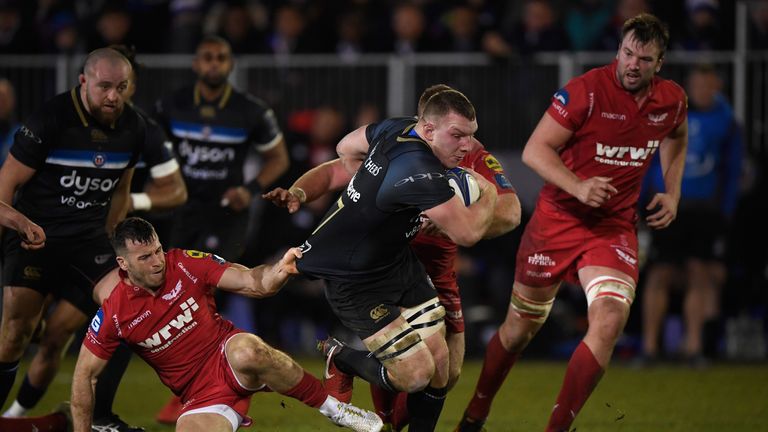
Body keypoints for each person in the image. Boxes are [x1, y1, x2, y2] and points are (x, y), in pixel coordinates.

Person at [456, 13, 688, 431]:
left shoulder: (671, 100)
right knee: (517, 332)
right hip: (557, 222)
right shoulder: (586, 92)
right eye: (628, 53)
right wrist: (579, 186)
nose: (633, 64)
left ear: (660, 63)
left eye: (644, 58)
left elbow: (677, 134)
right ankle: (476, 413)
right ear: (618, 50)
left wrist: (672, 190)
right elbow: (535, 150)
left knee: (610, 319)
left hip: (612, 229)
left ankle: (558, 427)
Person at [264, 89, 499, 432]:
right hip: (354, 280)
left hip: (395, 263)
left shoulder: (397, 128)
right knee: (417, 375)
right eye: (458, 136)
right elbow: (468, 234)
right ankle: (341, 358)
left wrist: (372, 189)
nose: (468, 146)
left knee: (441, 368)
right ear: (429, 131)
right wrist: (488, 191)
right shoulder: (418, 170)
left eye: (471, 135)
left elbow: (344, 148)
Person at [1, 44, 188, 427]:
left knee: (126, 308)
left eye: (121, 87)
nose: (112, 96)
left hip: (88, 241)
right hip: (36, 236)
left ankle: (100, 417)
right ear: (83, 81)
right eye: (104, 87)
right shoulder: (50, 119)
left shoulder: (135, 128)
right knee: (16, 332)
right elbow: (5, 186)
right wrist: (21, 226)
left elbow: (121, 189)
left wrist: (113, 239)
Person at [71, 217, 383, 432]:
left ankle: (336, 410)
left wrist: (279, 271)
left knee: (249, 351)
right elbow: (85, 376)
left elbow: (251, 281)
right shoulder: (114, 313)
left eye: (157, 251)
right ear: (123, 264)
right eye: (144, 258)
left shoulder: (185, 263)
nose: (156, 262)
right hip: (198, 394)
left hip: (227, 353)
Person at [361, 84, 522, 431]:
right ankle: (385, 420)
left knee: (447, 374)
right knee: (412, 361)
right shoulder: (397, 148)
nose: (462, 141)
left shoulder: (472, 155)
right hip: (394, 268)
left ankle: (384, 419)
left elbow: (511, 212)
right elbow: (342, 169)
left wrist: (461, 223)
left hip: (441, 273)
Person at [152, 34, 289, 423]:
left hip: (227, 215)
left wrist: (249, 189)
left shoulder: (250, 111)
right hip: (182, 211)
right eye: (207, 57)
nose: (213, 63)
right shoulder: (171, 106)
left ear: (230, 65)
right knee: (175, 295)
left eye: (221, 58)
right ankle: (201, 387)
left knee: (210, 292)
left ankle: (204, 389)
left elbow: (277, 158)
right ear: (196, 64)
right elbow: (147, 149)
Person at [640, 64, 742, 366]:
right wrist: (638, 202)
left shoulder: (727, 123)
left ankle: (693, 347)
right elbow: (647, 158)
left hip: (704, 208)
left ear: (716, 88)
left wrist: (726, 210)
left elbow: (732, 170)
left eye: (707, 86)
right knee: (659, 273)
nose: (702, 91)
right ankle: (649, 348)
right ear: (688, 87)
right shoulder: (666, 115)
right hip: (664, 202)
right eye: (697, 85)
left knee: (700, 274)